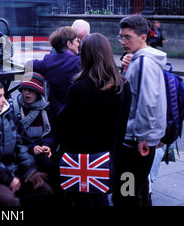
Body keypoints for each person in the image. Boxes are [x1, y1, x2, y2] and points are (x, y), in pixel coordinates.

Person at [56, 33, 132, 206]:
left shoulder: (80, 87)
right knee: (101, 196)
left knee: (84, 201)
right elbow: (123, 121)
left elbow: (63, 124)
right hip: (108, 156)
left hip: (82, 159)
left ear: (85, 55)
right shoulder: (123, 85)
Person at [0, 79, 53, 206]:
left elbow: (20, 145)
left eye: (4, 95)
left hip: (14, 169)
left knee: (45, 191)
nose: (4, 100)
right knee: (9, 201)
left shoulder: (9, 114)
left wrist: (30, 171)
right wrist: (9, 179)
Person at [112, 15, 167, 207]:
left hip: (136, 142)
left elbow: (148, 102)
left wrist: (142, 137)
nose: (123, 42)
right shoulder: (139, 59)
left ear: (143, 37)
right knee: (138, 189)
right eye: (121, 37)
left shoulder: (144, 62)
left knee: (125, 195)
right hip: (138, 138)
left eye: (128, 37)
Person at [26, 26, 81, 117]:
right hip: (75, 114)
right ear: (69, 44)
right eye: (77, 41)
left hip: (55, 114)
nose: (79, 44)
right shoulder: (78, 63)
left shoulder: (48, 60)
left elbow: (29, 64)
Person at [12, 72, 57, 181]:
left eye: (31, 90)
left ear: (38, 92)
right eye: (24, 89)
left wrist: (47, 145)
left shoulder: (46, 108)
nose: (26, 93)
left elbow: (52, 132)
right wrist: (32, 147)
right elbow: (15, 135)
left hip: (42, 146)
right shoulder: (15, 108)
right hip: (23, 149)